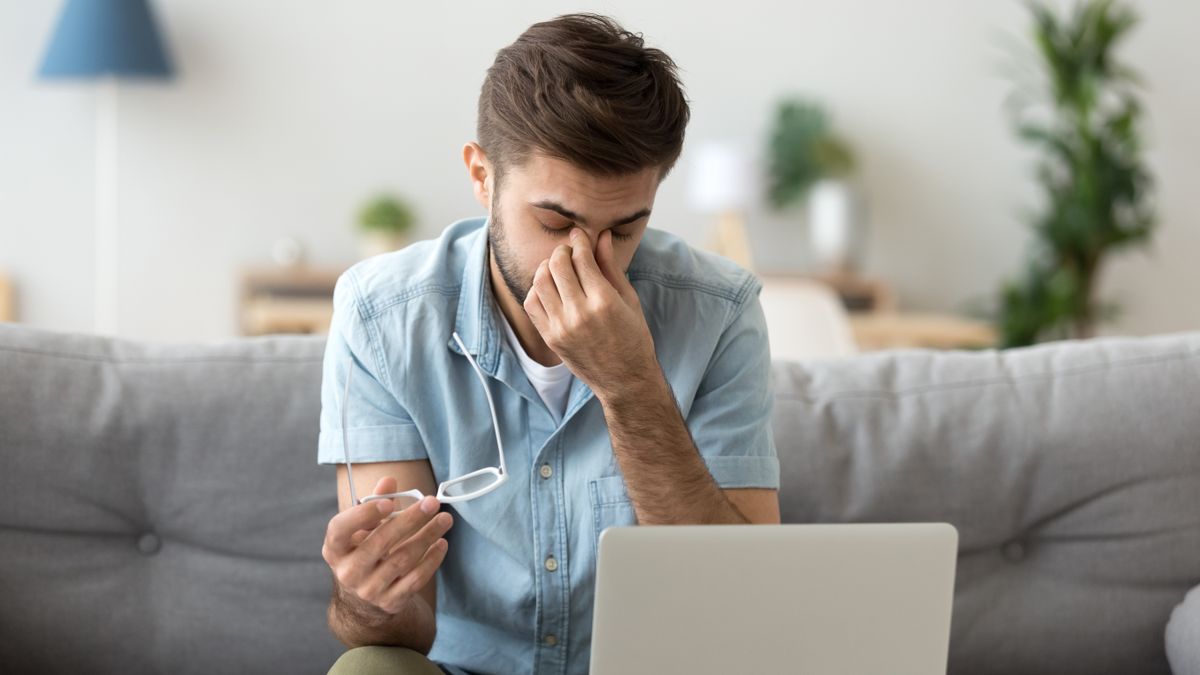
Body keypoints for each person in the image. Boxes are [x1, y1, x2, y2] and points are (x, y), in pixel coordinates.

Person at [318, 13, 780, 675]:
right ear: (483, 176)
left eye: (625, 229)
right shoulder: (382, 315)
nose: (587, 261)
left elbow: (740, 607)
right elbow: (399, 630)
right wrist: (365, 595)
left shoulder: (720, 312)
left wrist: (631, 387)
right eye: (555, 220)